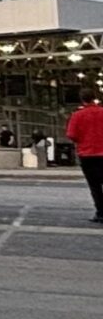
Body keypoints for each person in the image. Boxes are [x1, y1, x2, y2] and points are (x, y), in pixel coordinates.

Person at [67, 91, 103, 224]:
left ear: (82, 100)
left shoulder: (77, 115)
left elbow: (71, 134)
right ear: (95, 99)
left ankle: (100, 213)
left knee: (95, 186)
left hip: (87, 154)